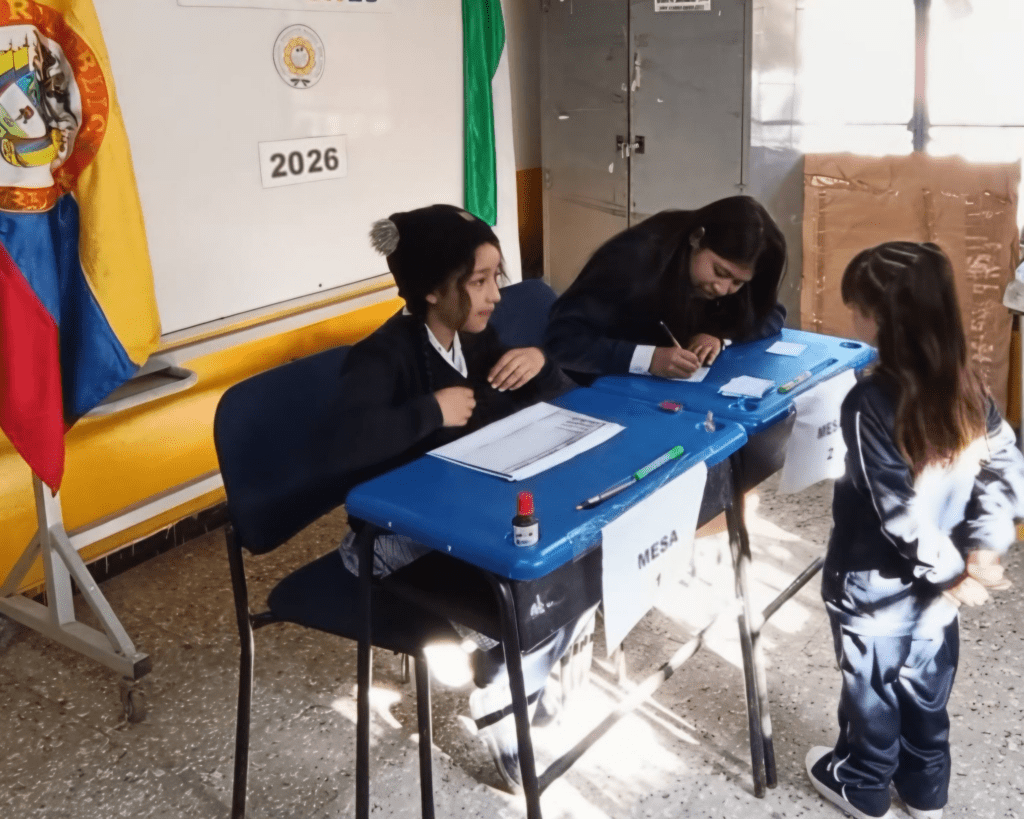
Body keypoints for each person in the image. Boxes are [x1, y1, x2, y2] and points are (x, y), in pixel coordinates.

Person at [330, 204, 595, 790]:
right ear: (431, 290)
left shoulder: (472, 339)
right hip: (387, 539)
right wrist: (430, 411)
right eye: (478, 281)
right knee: (533, 584)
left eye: (496, 276)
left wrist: (541, 364)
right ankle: (502, 689)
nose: (495, 294)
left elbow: (524, 406)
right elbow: (345, 445)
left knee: (578, 548)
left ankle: (528, 677)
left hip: (462, 513)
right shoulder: (382, 357)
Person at [807, 241, 1024, 819]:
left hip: (872, 587)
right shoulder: (969, 386)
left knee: (872, 691)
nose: (854, 320)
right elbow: (1007, 466)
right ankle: (927, 792)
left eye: (858, 310)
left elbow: (896, 512)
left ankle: (863, 785)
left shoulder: (866, 401)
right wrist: (984, 547)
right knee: (927, 688)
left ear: (881, 321)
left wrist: (954, 572)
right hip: (936, 592)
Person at [543, 195, 787, 383]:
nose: (723, 289)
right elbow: (562, 342)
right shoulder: (633, 259)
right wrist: (647, 359)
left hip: (664, 391)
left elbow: (771, 313)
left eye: (738, 282)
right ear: (697, 238)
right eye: (720, 272)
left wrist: (718, 336)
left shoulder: (734, 270)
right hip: (596, 388)